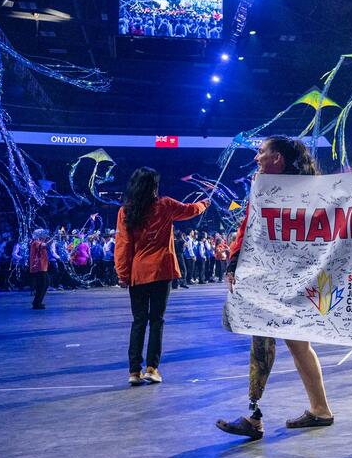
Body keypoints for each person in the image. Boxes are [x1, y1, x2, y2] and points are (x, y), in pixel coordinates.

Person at [216, 136, 336, 440]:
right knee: (273, 341)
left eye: (261, 152)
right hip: (268, 277)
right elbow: (248, 228)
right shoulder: (262, 188)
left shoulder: (311, 193)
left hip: (295, 278)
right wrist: (233, 263)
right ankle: (294, 411)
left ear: (277, 158)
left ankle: (311, 410)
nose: (257, 158)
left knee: (294, 343)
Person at [115, 168, 209, 386]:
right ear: (154, 186)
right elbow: (190, 210)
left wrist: (122, 274)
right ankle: (152, 368)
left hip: (138, 273)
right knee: (156, 320)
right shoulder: (165, 205)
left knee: (138, 321)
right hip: (161, 271)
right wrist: (204, 204)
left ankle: (133, 372)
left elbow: (123, 246)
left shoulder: (125, 211)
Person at [29, 229, 49, 310]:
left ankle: (36, 302)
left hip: (41, 266)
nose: (45, 236)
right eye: (43, 235)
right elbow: (44, 245)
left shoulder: (36, 242)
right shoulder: (36, 242)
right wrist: (54, 238)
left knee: (44, 284)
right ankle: (37, 303)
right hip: (39, 267)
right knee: (43, 285)